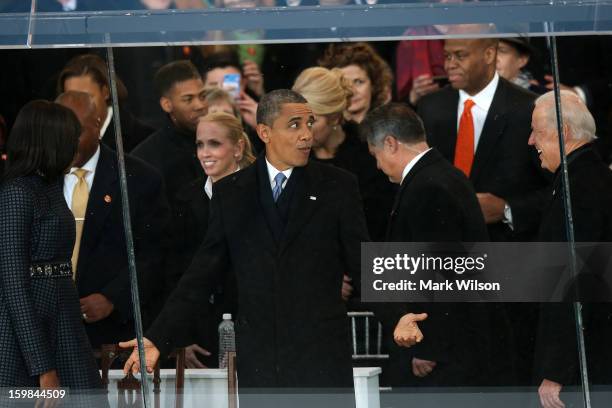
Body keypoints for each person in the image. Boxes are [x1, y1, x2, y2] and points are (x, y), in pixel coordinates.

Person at [121, 89, 418, 405]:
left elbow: (362, 262)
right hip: (261, 366)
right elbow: (200, 275)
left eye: (309, 123)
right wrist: (157, 338)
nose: (306, 135)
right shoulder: (232, 193)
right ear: (264, 132)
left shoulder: (338, 186)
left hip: (322, 362)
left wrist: (397, 315)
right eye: (294, 125)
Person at [361, 103, 506, 388]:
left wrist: (428, 346)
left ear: (390, 143)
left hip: (442, 353)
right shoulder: (444, 175)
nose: (377, 166)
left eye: (375, 155)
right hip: (458, 343)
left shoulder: (428, 186)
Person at [0, 100, 105, 405]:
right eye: (69, 137)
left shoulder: (50, 186)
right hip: (25, 335)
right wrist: (43, 367)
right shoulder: (17, 193)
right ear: (49, 140)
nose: (76, 144)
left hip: (65, 319)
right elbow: (14, 285)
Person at [56, 91, 169, 346]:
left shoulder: (138, 178)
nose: (66, 144)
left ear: (97, 124)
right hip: (49, 330)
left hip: (111, 335)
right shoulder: (39, 179)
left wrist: (113, 298)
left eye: (75, 134)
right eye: (59, 135)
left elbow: (154, 254)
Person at [528, 91, 612, 408]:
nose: (530, 140)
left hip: (584, 367)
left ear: (562, 133)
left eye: (536, 129)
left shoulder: (580, 186)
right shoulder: (584, 176)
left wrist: (556, 370)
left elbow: (577, 282)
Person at [167, 112, 255, 368]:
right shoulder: (185, 198)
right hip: (201, 334)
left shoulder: (262, 194)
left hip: (254, 326)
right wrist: (179, 336)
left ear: (238, 148)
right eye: (200, 144)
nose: (205, 152)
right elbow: (175, 273)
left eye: (214, 144)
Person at [292, 66, 394, 241]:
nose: (302, 132)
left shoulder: (370, 156)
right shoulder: (287, 155)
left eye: (312, 121)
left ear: (335, 118)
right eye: (295, 121)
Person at [132, 60, 207, 200]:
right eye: (188, 99)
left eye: (202, 96)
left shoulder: (222, 140)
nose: (200, 105)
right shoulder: (147, 158)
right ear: (167, 104)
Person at [58, 53, 154, 153]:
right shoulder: (57, 141)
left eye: (86, 98)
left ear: (105, 92)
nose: (78, 106)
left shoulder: (143, 139)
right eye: (71, 99)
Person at [319, 42, 393, 123]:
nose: (352, 91)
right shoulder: (323, 133)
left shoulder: (389, 128)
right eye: (343, 83)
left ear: (373, 85)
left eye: (358, 82)